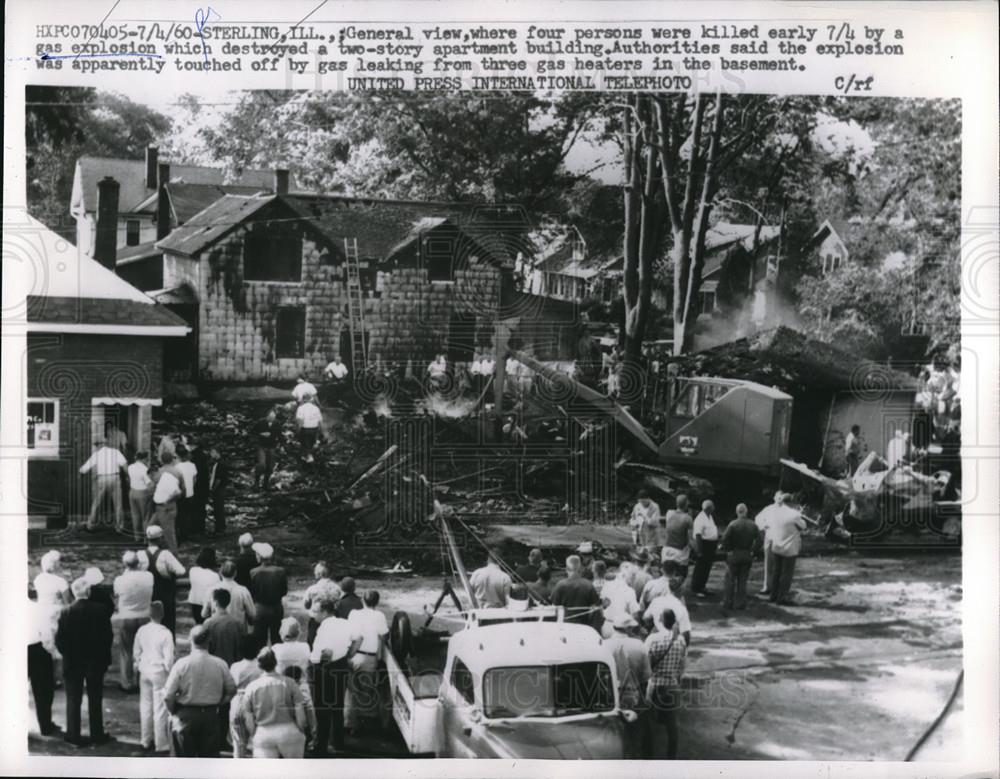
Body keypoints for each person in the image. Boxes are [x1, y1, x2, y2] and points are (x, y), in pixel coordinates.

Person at [56, 576, 113, 747]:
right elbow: (107, 638)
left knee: (73, 699)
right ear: (88, 592)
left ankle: (74, 735)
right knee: (95, 698)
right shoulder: (101, 610)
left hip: (73, 661)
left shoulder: (66, 612)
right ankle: (97, 734)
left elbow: (60, 640)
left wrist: (67, 654)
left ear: (74, 593)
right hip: (95, 661)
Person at [163, 624, 236, 758]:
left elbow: (168, 695)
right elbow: (231, 689)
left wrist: (172, 711)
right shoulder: (220, 664)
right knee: (209, 763)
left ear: (190, 640)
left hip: (185, 715)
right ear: (209, 641)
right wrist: (219, 703)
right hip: (210, 715)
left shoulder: (181, 664)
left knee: (184, 764)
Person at [309, 599, 363, 756]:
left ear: (325, 612)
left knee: (322, 708)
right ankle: (338, 741)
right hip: (341, 665)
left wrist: (314, 661)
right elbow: (359, 637)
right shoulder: (345, 623)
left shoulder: (324, 628)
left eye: (316, 612)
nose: (314, 615)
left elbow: (315, 657)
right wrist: (349, 653)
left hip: (324, 669)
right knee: (338, 705)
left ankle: (321, 745)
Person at [242, 647, 309, 759]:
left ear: (259, 665)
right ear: (275, 662)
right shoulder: (290, 683)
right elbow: (300, 713)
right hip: (288, 730)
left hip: (264, 731)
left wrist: (254, 735)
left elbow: (248, 718)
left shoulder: (251, 687)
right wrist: (301, 730)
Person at [605, 613, 651, 757]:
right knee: (634, 737)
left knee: (611, 738)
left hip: (610, 699)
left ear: (614, 627)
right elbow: (646, 677)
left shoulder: (603, 645)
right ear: (629, 629)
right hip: (633, 697)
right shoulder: (639, 646)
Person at [645, 608, 687, 759]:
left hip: (655, 684)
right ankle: (671, 756)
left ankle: (648, 755)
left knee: (649, 722)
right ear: (673, 622)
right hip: (672, 685)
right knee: (672, 724)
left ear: (661, 621)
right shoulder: (680, 640)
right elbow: (682, 665)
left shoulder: (653, 639)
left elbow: (646, 664)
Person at [133, 601, 175, 753]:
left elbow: (136, 652)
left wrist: (139, 664)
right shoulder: (165, 633)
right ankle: (161, 743)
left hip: (145, 671)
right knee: (160, 709)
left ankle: (145, 739)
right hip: (159, 672)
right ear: (162, 615)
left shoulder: (142, 631)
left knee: (145, 706)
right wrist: (169, 673)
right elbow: (168, 659)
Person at [345, 591, 389, 733]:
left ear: (363, 600)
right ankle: (366, 721)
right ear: (377, 602)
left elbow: (351, 633)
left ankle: (351, 723)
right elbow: (384, 635)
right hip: (369, 657)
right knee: (367, 690)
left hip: (354, 655)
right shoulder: (379, 616)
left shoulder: (354, 614)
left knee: (351, 690)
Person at [113, 550, 154, 692]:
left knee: (127, 651)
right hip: (145, 615)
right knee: (144, 650)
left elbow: (117, 595)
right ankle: (142, 680)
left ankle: (127, 682)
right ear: (138, 563)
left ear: (125, 564)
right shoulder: (149, 576)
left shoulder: (120, 580)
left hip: (127, 616)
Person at [138, 525, 186, 635]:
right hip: (165, 594)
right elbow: (181, 571)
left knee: (148, 624)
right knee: (167, 624)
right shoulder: (166, 555)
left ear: (147, 538)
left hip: (146, 593)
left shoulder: (140, 555)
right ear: (160, 539)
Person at [79, 438, 128, 532]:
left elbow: (85, 468)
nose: (95, 447)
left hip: (102, 479)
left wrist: (80, 473)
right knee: (118, 504)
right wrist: (127, 477)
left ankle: (91, 525)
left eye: (96, 445)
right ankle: (119, 527)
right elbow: (125, 465)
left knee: (96, 503)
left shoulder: (96, 454)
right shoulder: (116, 452)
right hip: (115, 477)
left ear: (99, 445)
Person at [719, 504, 762, 610]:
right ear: (746, 512)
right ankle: (741, 603)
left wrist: (728, 550)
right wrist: (753, 551)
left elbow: (724, 539)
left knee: (730, 579)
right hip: (747, 553)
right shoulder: (753, 525)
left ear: (737, 512)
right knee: (743, 580)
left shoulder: (733, 524)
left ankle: (728, 602)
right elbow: (760, 540)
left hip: (734, 554)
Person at [766, 496, 807, 605]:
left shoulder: (775, 512)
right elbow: (803, 526)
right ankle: (782, 597)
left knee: (776, 572)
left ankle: (773, 595)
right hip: (789, 548)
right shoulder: (794, 514)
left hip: (777, 545)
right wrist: (800, 513)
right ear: (792, 503)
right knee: (786, 574)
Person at [28, 594, 59, 737]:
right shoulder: (36, 609)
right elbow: (46, 635)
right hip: (35, 649)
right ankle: (45, 726)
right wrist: (51, 651)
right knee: (43, 690)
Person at [229, 636, 264, 758]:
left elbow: (231, 686)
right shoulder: (261, 667)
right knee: (259, 744)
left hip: (238, 700)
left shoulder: (235, 666)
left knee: (238, 744)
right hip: (256, 702)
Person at [250, 543, 288, 649]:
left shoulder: (253, 572)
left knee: (259, 640)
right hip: (276, 608)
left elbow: (252, 592)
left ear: (259, 556)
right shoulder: (281, 571)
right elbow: (284, 591)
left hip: (260, 608)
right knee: (277, 638)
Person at [550, 555, 602, 631]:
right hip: (584, 626)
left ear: (566, 569)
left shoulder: (560, 585)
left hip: (565, 625)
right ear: (580, 569)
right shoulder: (588, 585)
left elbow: (554, 608)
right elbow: (596, 609)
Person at [642, 573, 693, 648]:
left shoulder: (656, 601)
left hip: (655, 640)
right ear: (681, 590)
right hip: (672, 643)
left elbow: (645, 618)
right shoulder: (681, 608)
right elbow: (685, 633)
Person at [209, 561, 256, 633]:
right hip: (238, 630)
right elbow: (252, 613)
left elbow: (205, 613)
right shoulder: (243, 590)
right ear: (235, 573)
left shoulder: (212, 589)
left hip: (217, 629)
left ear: (220, 572)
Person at [303, 562, 342, 647]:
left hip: (316, 621)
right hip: (332, 619)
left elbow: (306, 605)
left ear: (319, 574)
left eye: (315, 571)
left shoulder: (312, 589)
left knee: (313, 645)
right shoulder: (337, 588)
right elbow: (339, 604)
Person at [150, 451, 183, 550]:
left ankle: (170, 549)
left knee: (168, 530)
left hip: (165, 503)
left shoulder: (159, 472)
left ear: (161, 460)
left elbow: (154, 487)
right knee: (170, 527)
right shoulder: (177, 471)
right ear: (172, 459)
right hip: (172, 502)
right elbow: (182, 487)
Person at [204, 589, 244, 666]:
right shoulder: (237, 623)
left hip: (215, 665)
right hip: (233, 664)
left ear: (215, 603)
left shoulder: (209, 623)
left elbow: (206, 647)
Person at [661, 494, 694, 583]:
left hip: (667, 548)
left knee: (667, 575)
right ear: (686, 504)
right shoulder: (688, 518)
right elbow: (690, 538)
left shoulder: (669, 513)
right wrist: (696, 550)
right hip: (680, 551)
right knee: (680, 577)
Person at [754, 492, 782, 596]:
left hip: (782, 539)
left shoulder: (786, 511)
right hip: (770, 537)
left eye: (781, 497)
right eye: (778, 497)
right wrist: (764, 526)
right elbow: (757, 519)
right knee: (769, 563)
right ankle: (767, 586)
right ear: (774, 498)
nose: (779, 499)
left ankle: (778, 587)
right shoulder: (769, 509)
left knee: (780, 564)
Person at [690, 500, 719, 597]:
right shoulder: (700, 519)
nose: (714, 508)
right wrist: (699, 550)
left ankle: (702, 586)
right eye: (712, 507)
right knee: (701, 567)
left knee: (707, 567)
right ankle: (696, 588)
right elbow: (698, 535)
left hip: (710, 545)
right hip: (704, 544)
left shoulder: (710, 517)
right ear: (708, 508)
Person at [188, 547, 222, 626]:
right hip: (207, 605)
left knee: (198, 624)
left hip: (194, 603)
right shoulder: (214, 576)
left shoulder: (192, 570)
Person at [252, 409, 282, 491]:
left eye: (274, 417)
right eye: (270, 417)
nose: (272, 419)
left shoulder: (277, 423)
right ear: (267, 416)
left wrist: (282, 445)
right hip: (261, 446)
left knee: (270, 466)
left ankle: (266, 483)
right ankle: (256, 482)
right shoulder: (260, 422)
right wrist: (261, 434)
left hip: (272, 446)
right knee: (262, 464)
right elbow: (253, 432)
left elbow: (280, 435)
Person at [127, 451, 154, 541]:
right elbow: (149, 484)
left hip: (132, 492)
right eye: (147, 459)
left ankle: (137, 537)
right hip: (143, 493)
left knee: (135, 515)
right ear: (144, 459)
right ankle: (146, 538)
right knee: (146, 517)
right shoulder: (144, 469)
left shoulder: (130, 467)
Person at [187, 438, 211, 537]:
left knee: (195, 508)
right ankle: (201, 528)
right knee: (201, 508)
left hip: (197, 487)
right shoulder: (204, 456)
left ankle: (195, 529)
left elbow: (194, 475)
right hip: (204, 486)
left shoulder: (193, 458)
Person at [175, 446, 198, 542]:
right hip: (190, 493)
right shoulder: (192, 465)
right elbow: (194, 479)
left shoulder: (177, 467)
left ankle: (179, 534)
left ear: (179, 456)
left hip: (180, 493)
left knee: (179, 514)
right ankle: (186, 533)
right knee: (187, 514)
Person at [629, 489, 662, 554]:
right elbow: (632, 518)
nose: (642, 504)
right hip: (640, 535)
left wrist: (644, 517)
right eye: (640, 502)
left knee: (649, 554)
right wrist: (633, 523)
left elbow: (655, 522)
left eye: (643, 502)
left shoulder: (655, 507)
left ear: (648, 499)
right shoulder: (637, 506)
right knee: (639, 553)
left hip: (651, 536)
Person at [207, 447, 230, 535]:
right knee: (218, 509)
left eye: (212, 452)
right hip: (220, 489)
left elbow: (218, 479)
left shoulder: (220, 464)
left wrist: (213, 489)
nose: (211, 454)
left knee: (218, 509)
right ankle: (220, 527)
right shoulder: (218, 463)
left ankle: (220, 529)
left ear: (217, 452)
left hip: (219, 489)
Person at [295, 396, 324, 464]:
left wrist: (298, 432)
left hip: (305, 429)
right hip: (314, 429)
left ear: (303, 400)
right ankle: (308, 459)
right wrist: (322, 432)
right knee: (310, 445)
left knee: (306, 446)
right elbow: (320, 421)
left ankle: (309, 462)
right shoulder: (316, 408)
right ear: (311, 400)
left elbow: (300, 421)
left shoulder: (301, 408)